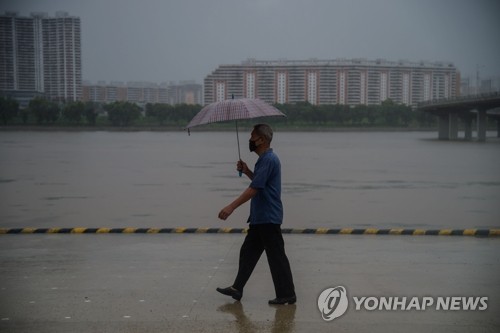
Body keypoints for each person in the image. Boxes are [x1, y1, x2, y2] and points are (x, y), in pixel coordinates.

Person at [217, 124, 296, 305]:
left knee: (276, 257)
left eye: (252, 136)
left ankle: (287, 294)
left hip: (269, 216)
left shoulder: (269, 159)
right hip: (260, 217)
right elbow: (260, 182)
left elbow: (255, 189)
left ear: (261, 139)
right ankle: (237, 288)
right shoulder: (264, 160)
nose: (250, 140)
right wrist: (247, 171)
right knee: (248, 252)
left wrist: (231, 206)